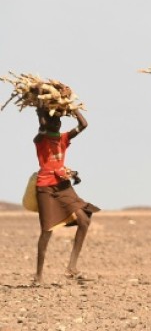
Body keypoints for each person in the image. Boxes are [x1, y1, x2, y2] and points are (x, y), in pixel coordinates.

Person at [32, 106, 99, 285]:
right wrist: (40, 108)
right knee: (47, 231)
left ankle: (72, 267)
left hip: (62, 186)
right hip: (45, 188)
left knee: (84, 220)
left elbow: (83, 124)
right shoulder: (40, 139)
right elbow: (43, 124)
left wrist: (73, 108)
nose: (57, 123)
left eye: (59, 120)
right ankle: (38, 276)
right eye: (53, 120)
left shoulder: (63, 139)